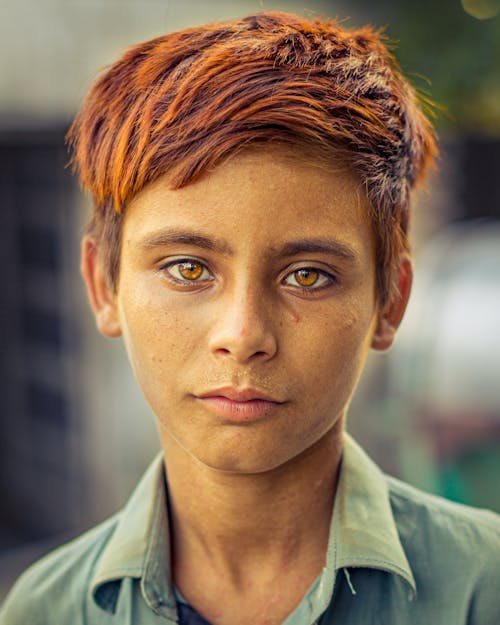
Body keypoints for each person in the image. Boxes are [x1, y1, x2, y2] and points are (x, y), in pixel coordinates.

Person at [1, 11, 499, 625]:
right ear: (104, 284)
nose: (242, 335)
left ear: (389, 301)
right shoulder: (46, 611)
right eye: (187, 268)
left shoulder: (484, 588)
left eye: (308, 275)